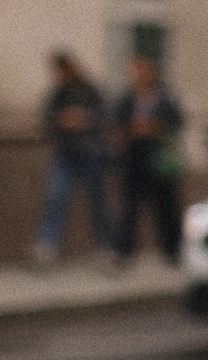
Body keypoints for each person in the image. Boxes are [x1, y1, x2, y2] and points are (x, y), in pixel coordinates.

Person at [32, 50, 113, 265]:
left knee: (99, 202)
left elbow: (104, 117)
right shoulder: (58, 94)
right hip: (65, 154)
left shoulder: (89, 91)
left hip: (91, 153)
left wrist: (83, 120)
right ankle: (48, 246)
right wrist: (62, 121)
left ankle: (106, 246)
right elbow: (46, 122)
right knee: (56, 199)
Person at [111, 52, 186, 263]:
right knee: (129, 206)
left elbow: (176, 122)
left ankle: (173, 249)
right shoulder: (127, 97)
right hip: (134, 157)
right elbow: (118, 122)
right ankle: (124, 251)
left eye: (143, 69)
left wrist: (154, 128)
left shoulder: (165, 96)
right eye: (136, 69)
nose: (139, 74)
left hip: (159, 158)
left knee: (166, 207)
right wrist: (129, 132)